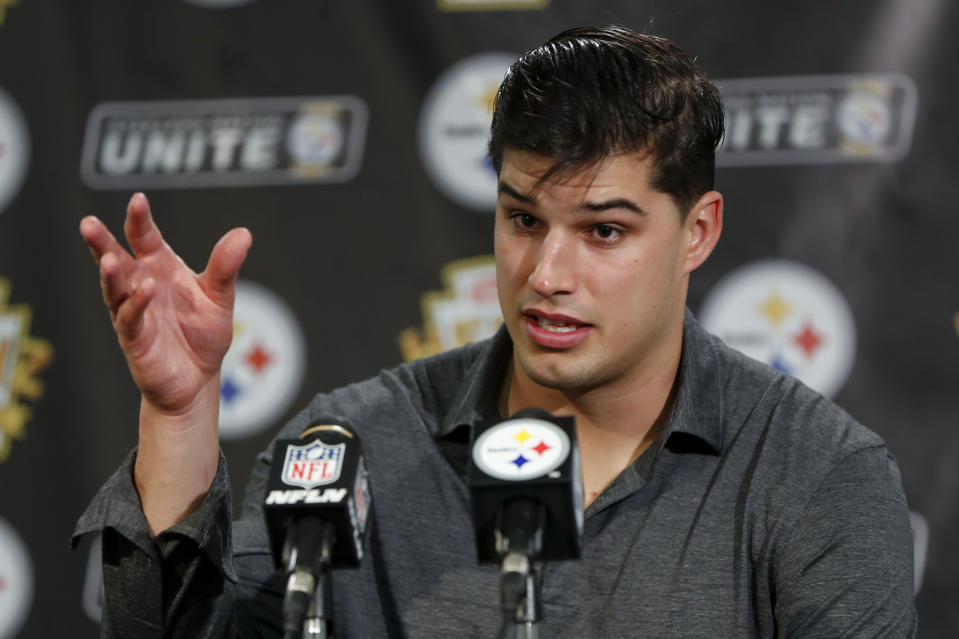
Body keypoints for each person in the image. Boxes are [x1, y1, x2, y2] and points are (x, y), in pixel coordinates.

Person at [73, 26, 917, 638]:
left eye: (603, 231)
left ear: (697, 231)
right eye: (522, 218)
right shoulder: (354, 444)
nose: (546, 272)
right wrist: (180, 416)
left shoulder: (815, 474)